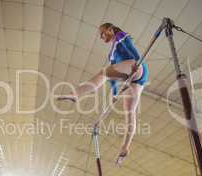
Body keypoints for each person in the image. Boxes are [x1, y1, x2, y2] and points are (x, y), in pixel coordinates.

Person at [58, 22, 149, 165]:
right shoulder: (111, 54)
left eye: (102, 33)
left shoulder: (120, 36)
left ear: (110, 30)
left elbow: (131, 48)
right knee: (129, 112)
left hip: (136, 66)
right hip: (136, 78)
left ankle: (76, 94)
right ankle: (125, 147)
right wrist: (114, 94)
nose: (101, 37)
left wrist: (137, 62)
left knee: (104, 72)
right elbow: (112, 79)